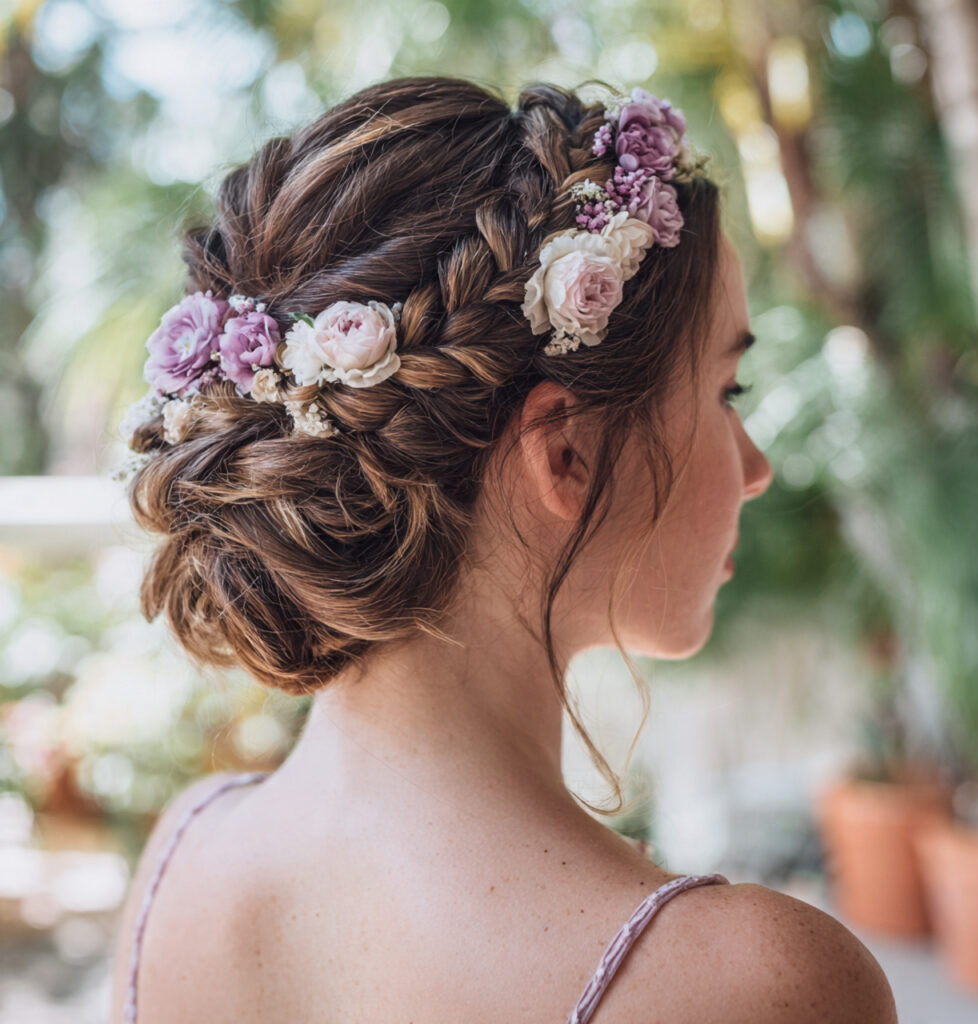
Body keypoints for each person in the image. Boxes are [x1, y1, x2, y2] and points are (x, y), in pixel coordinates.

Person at [109, 75, 898, 1023]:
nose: (757, 467)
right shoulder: (757, 985)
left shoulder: (179, 861)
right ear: (562, 451)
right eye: (726, 392)